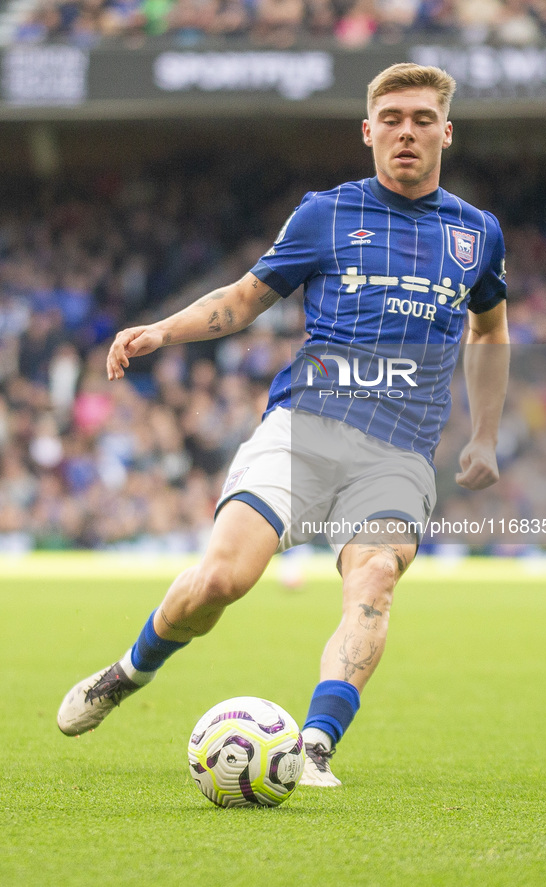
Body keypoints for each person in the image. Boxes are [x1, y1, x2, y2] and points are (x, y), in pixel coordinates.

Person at [57, 63, 510, 787]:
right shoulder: (325, 213)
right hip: (306, 426)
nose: (405, 131)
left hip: (400, 451)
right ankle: (127, 670)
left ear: (444, 133)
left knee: (374, 578)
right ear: (367, 132)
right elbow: (243, 300)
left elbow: (489, 328)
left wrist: (483, 431)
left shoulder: (476, 234)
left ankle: (316, 743)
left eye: (422, 119)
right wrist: (161, 333)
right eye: (391, 117)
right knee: (221, 580)